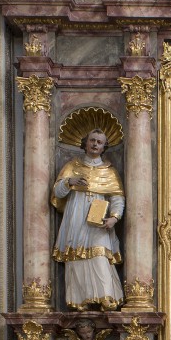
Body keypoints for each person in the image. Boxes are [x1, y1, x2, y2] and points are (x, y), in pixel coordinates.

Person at [52, 128, 125, 310]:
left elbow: (117, 198)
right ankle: (78, 299)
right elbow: (57, 193)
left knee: (100, 254)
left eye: (99, 142)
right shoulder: (72, 166)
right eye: (92, 140)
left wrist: (114, 218)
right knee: (76, 254)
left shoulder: (109, 171)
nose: (95, 144)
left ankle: (106, 296)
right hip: (75, 216)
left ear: (104, 147)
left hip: (98, 220)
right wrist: (70, 182)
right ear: (85, 143)